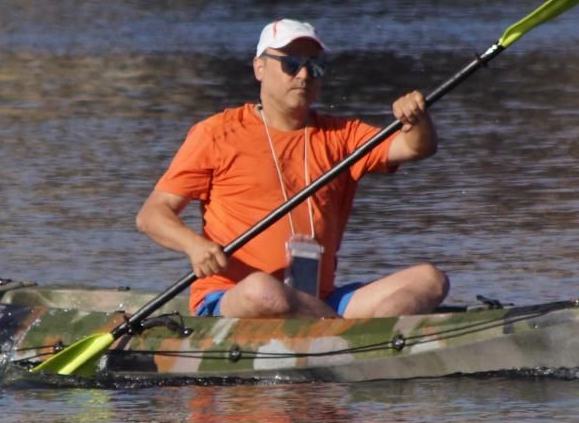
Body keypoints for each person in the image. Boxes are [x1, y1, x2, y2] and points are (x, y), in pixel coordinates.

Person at [137, 19, 450, 319]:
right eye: (291, 64)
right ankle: (345, 336)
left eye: (315, 66)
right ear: (259, 68)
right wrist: (194, 246)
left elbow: (416, 147)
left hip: (318, 299)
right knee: (263, 291)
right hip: (234, 298)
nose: (304, 75)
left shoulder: (340, 134)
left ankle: (356, 338)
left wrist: (416, 120)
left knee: (430, 279)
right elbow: (152, 214)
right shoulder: (216, 134)